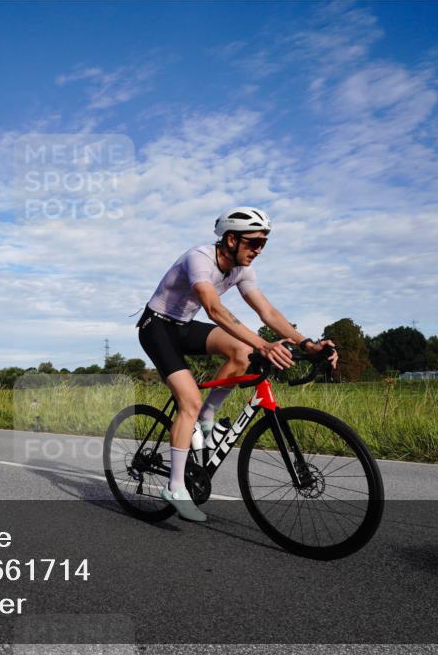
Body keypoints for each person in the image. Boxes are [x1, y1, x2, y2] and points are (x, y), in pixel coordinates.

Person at [137, 206, 338, 521]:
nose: (259, 250)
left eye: (264, 243)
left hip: (185, 327)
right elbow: (214, 310)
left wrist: (307, 343)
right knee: (188, 399)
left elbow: (267, 313)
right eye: (254, 242)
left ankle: (209, 414)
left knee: (244, 352)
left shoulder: (242, 269)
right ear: (231, 239)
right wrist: (265, 344)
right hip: (157, 326)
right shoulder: (199, 258)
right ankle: (175, 487)